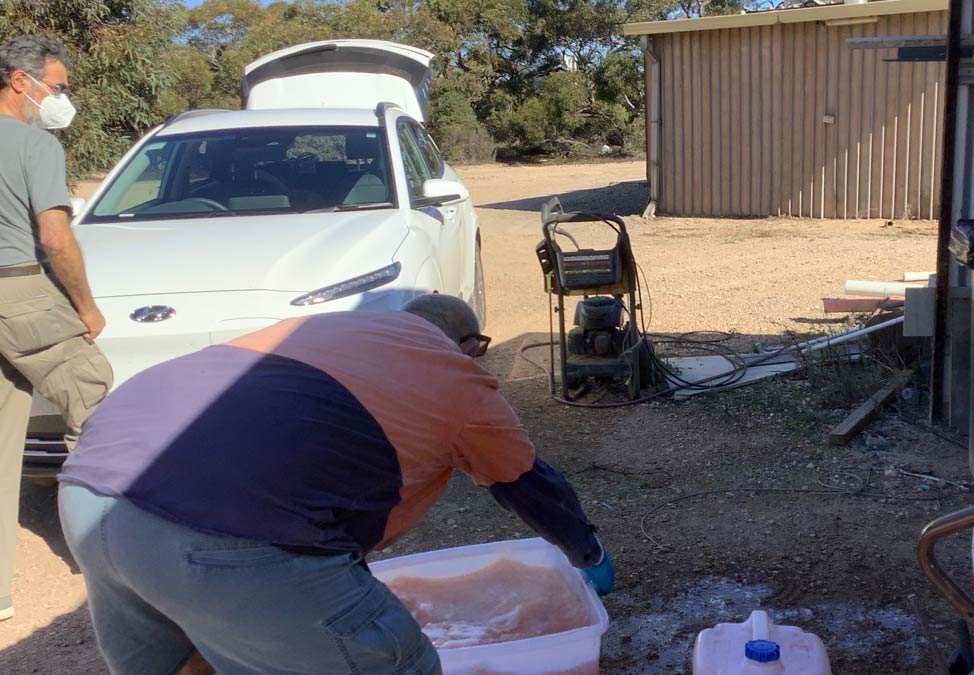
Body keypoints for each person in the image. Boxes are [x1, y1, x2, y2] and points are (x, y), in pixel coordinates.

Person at [57, 295, 614, 675]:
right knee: (399, 663)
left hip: (90, 492)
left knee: (186, 665)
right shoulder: (456, 377)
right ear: (468, 344)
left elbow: (296, 462)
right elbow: (527, 482)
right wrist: (585, 552)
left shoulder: (328, 328)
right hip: (224, 533)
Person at [0, 35, 113, 623]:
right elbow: (54, 237)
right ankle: (114, 564)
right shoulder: (33, 143)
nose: (62, 97)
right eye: (58, 85)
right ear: (22, 82)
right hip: (19, 289)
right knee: (93, 403)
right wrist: (85, 306)